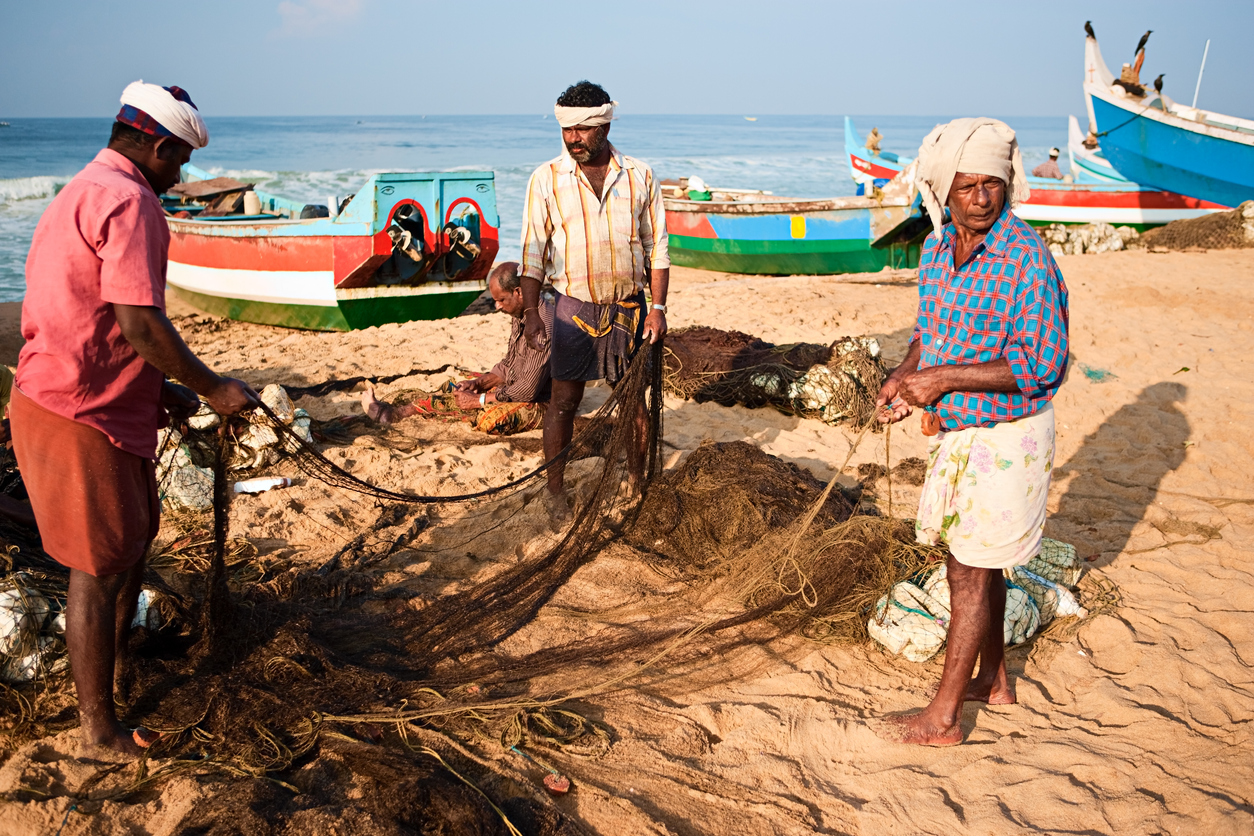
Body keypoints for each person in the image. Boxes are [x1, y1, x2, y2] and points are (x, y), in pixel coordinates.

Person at [12, 81, 258, 757]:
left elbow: (89, 315)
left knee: (126, 548)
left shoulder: (82, 188)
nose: (181, 175)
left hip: (78, 398)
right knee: (95, 571)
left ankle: (117, 673)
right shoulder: (132, 200)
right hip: (78, 410)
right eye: (177, 160)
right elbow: (140, 323)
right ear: (156, 145)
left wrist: (162, 395)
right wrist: (211, 387)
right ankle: (97, 729)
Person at [874, 118, 1069, 746]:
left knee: (966, 571)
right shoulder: (935, 249)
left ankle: (945, 717)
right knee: (980, 562)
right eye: (968, 187)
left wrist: (944, 379)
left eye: (994, 185)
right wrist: (905, 378)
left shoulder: (1025, 256)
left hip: (1010, 438)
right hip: (960, 432)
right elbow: (927, 334)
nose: (983, 198)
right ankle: (997, 681)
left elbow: (1043, 361)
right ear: (943, 192)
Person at [518, 81, 670, 524]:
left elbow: (656, 247)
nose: (573, 138)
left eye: (583, 129)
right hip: (572, 310)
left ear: (604, 124)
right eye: (566, 129)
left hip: (628, 309)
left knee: (633, 402)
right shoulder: (545, 179)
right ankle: (555, 490)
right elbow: (533, 252)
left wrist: (657, 309)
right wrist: (530, 313)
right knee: (563, 402)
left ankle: (637, 481)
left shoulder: (639, 176)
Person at [360, 262, 551, 435]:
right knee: (455, 386)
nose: (497, 306)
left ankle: (393, 416)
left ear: (519, 292)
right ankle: (411, 410)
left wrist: (479, 400)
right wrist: (479, 383)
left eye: (501, 300)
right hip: (516, 387)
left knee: (489, 420)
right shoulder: (521, 312)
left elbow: (528, 389)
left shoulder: (541, 325)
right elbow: (509, 365)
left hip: (541, 401)